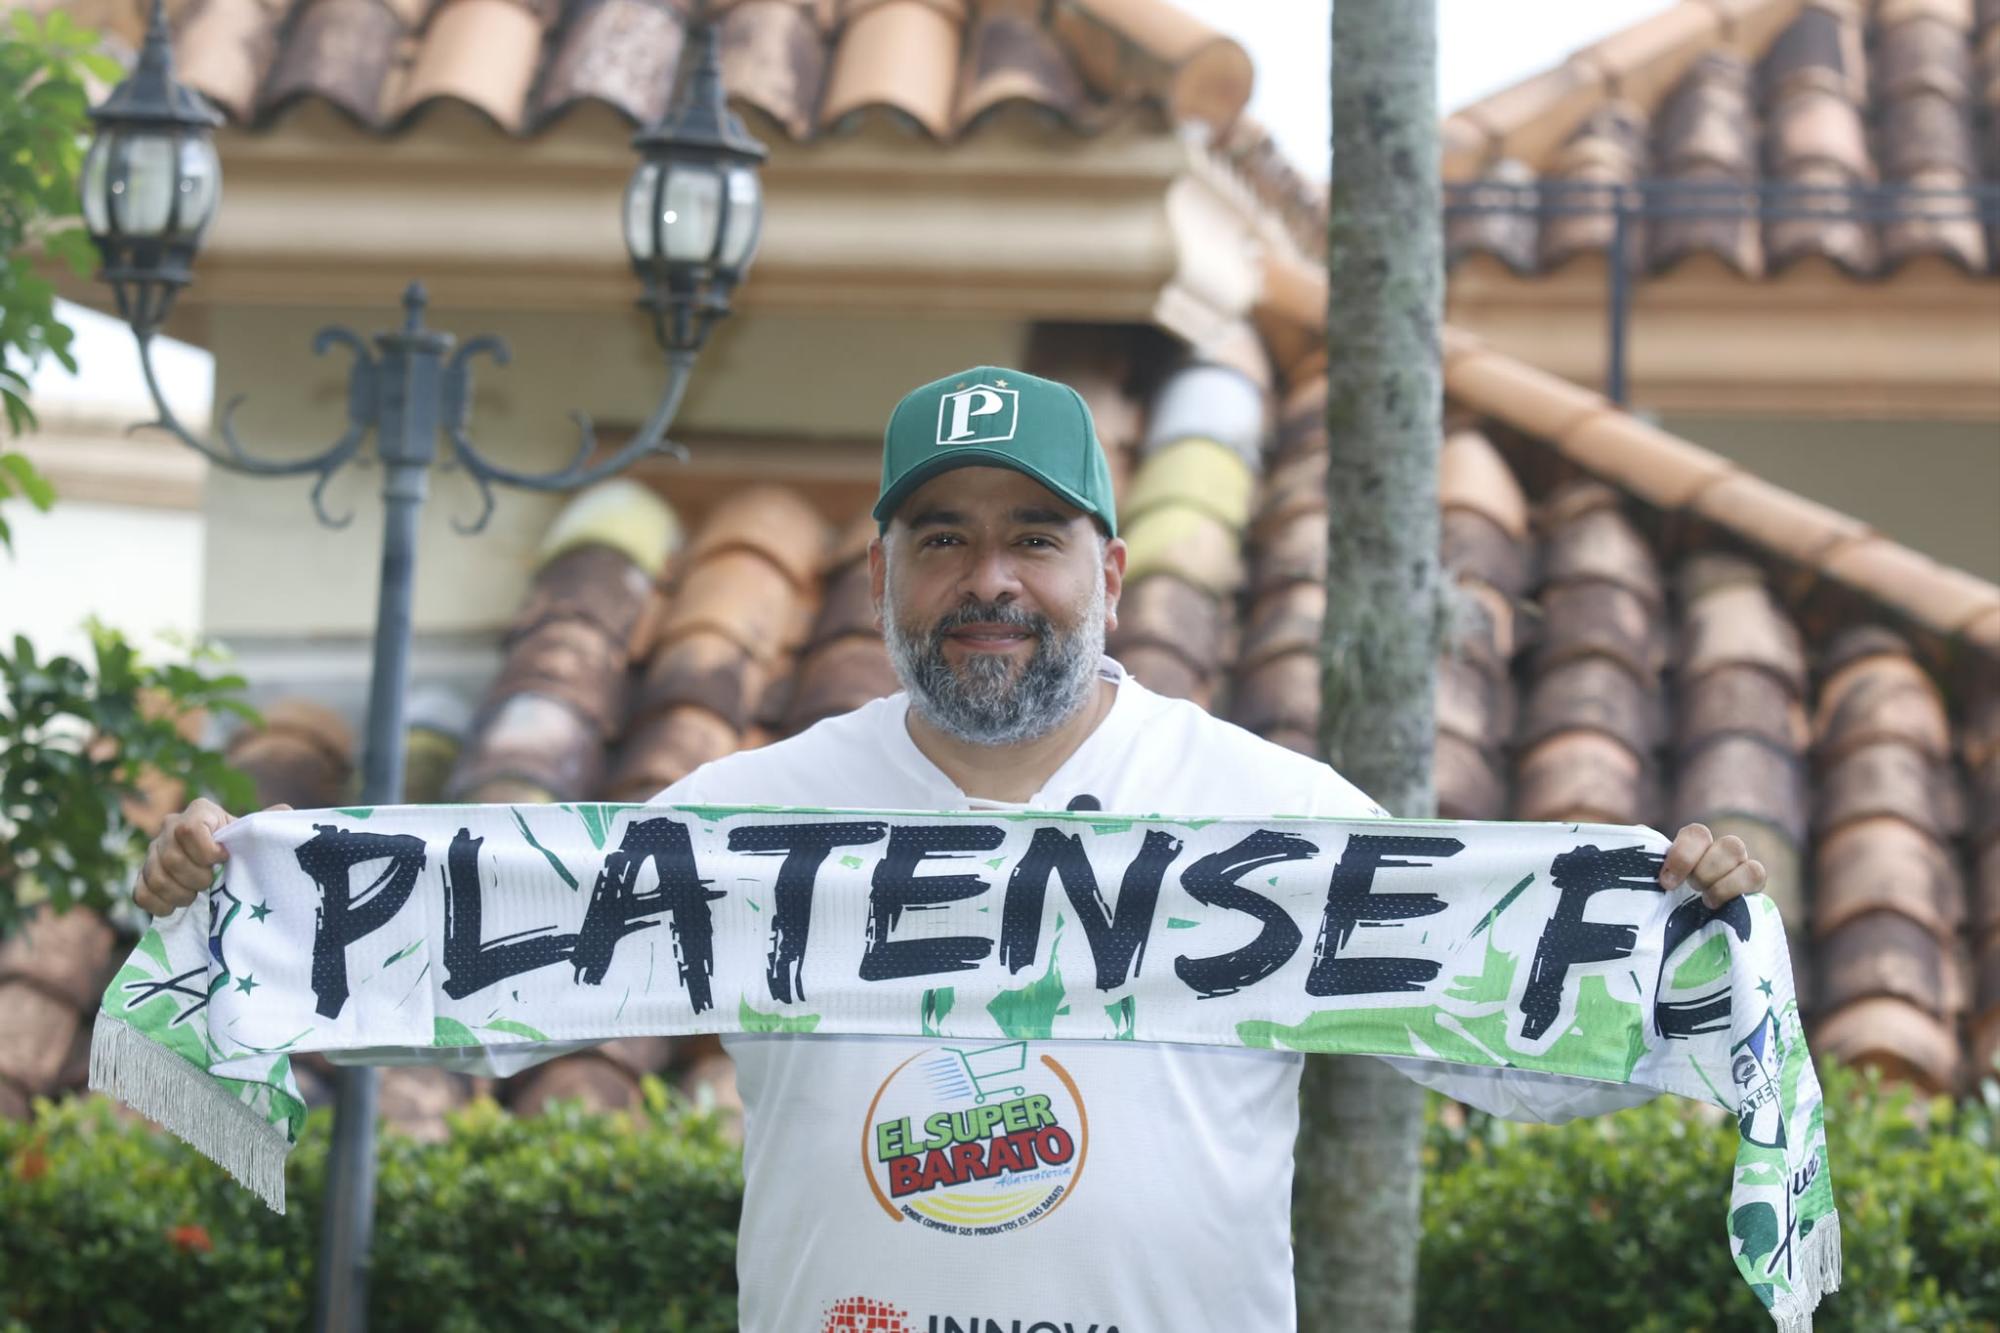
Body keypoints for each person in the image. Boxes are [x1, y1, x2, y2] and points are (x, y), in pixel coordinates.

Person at [136, 365, 1767, 1332]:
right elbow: (472, 969)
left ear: (1111, 572)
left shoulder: (1269, 816)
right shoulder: (747, 822)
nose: (991, 577)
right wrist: (240, 903)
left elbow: (1532, 1055)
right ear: (882, 581)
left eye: (1033, 538)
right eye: (944, 539)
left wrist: (1680, 924)